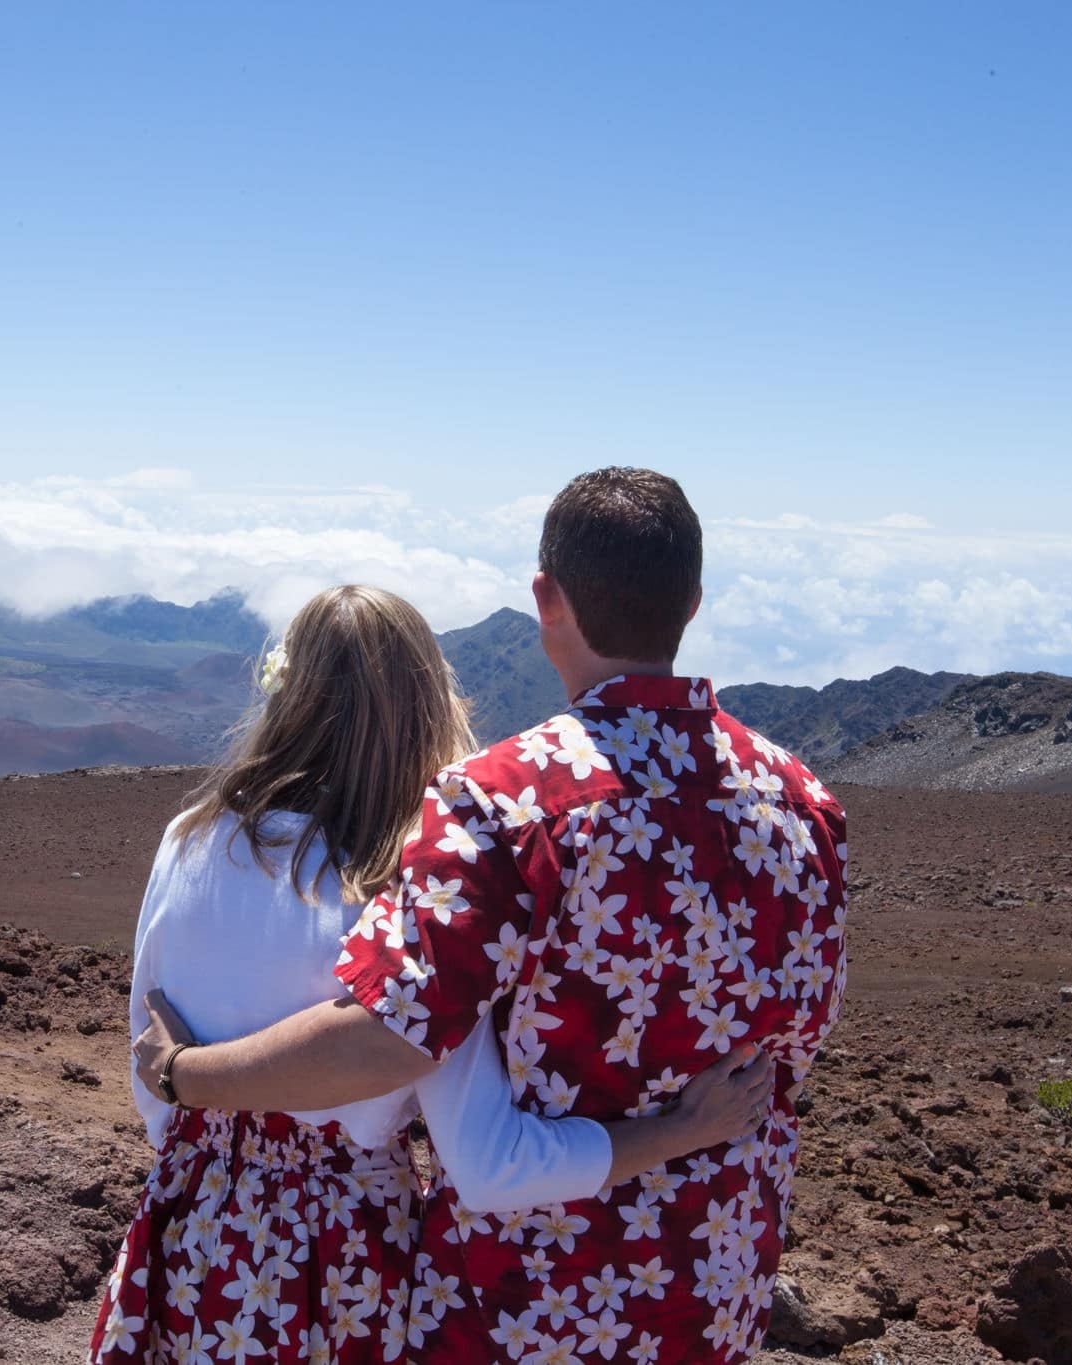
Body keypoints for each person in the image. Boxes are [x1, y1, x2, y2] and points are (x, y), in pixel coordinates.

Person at [135, 469, 847, 1364]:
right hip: (715, 1269)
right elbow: (798, 1037)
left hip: (529, 1296)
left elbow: (391, 1038)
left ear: (546, 599)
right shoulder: (802, 802)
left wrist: (183, 1075)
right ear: (694, 602)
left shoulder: (505, 802)